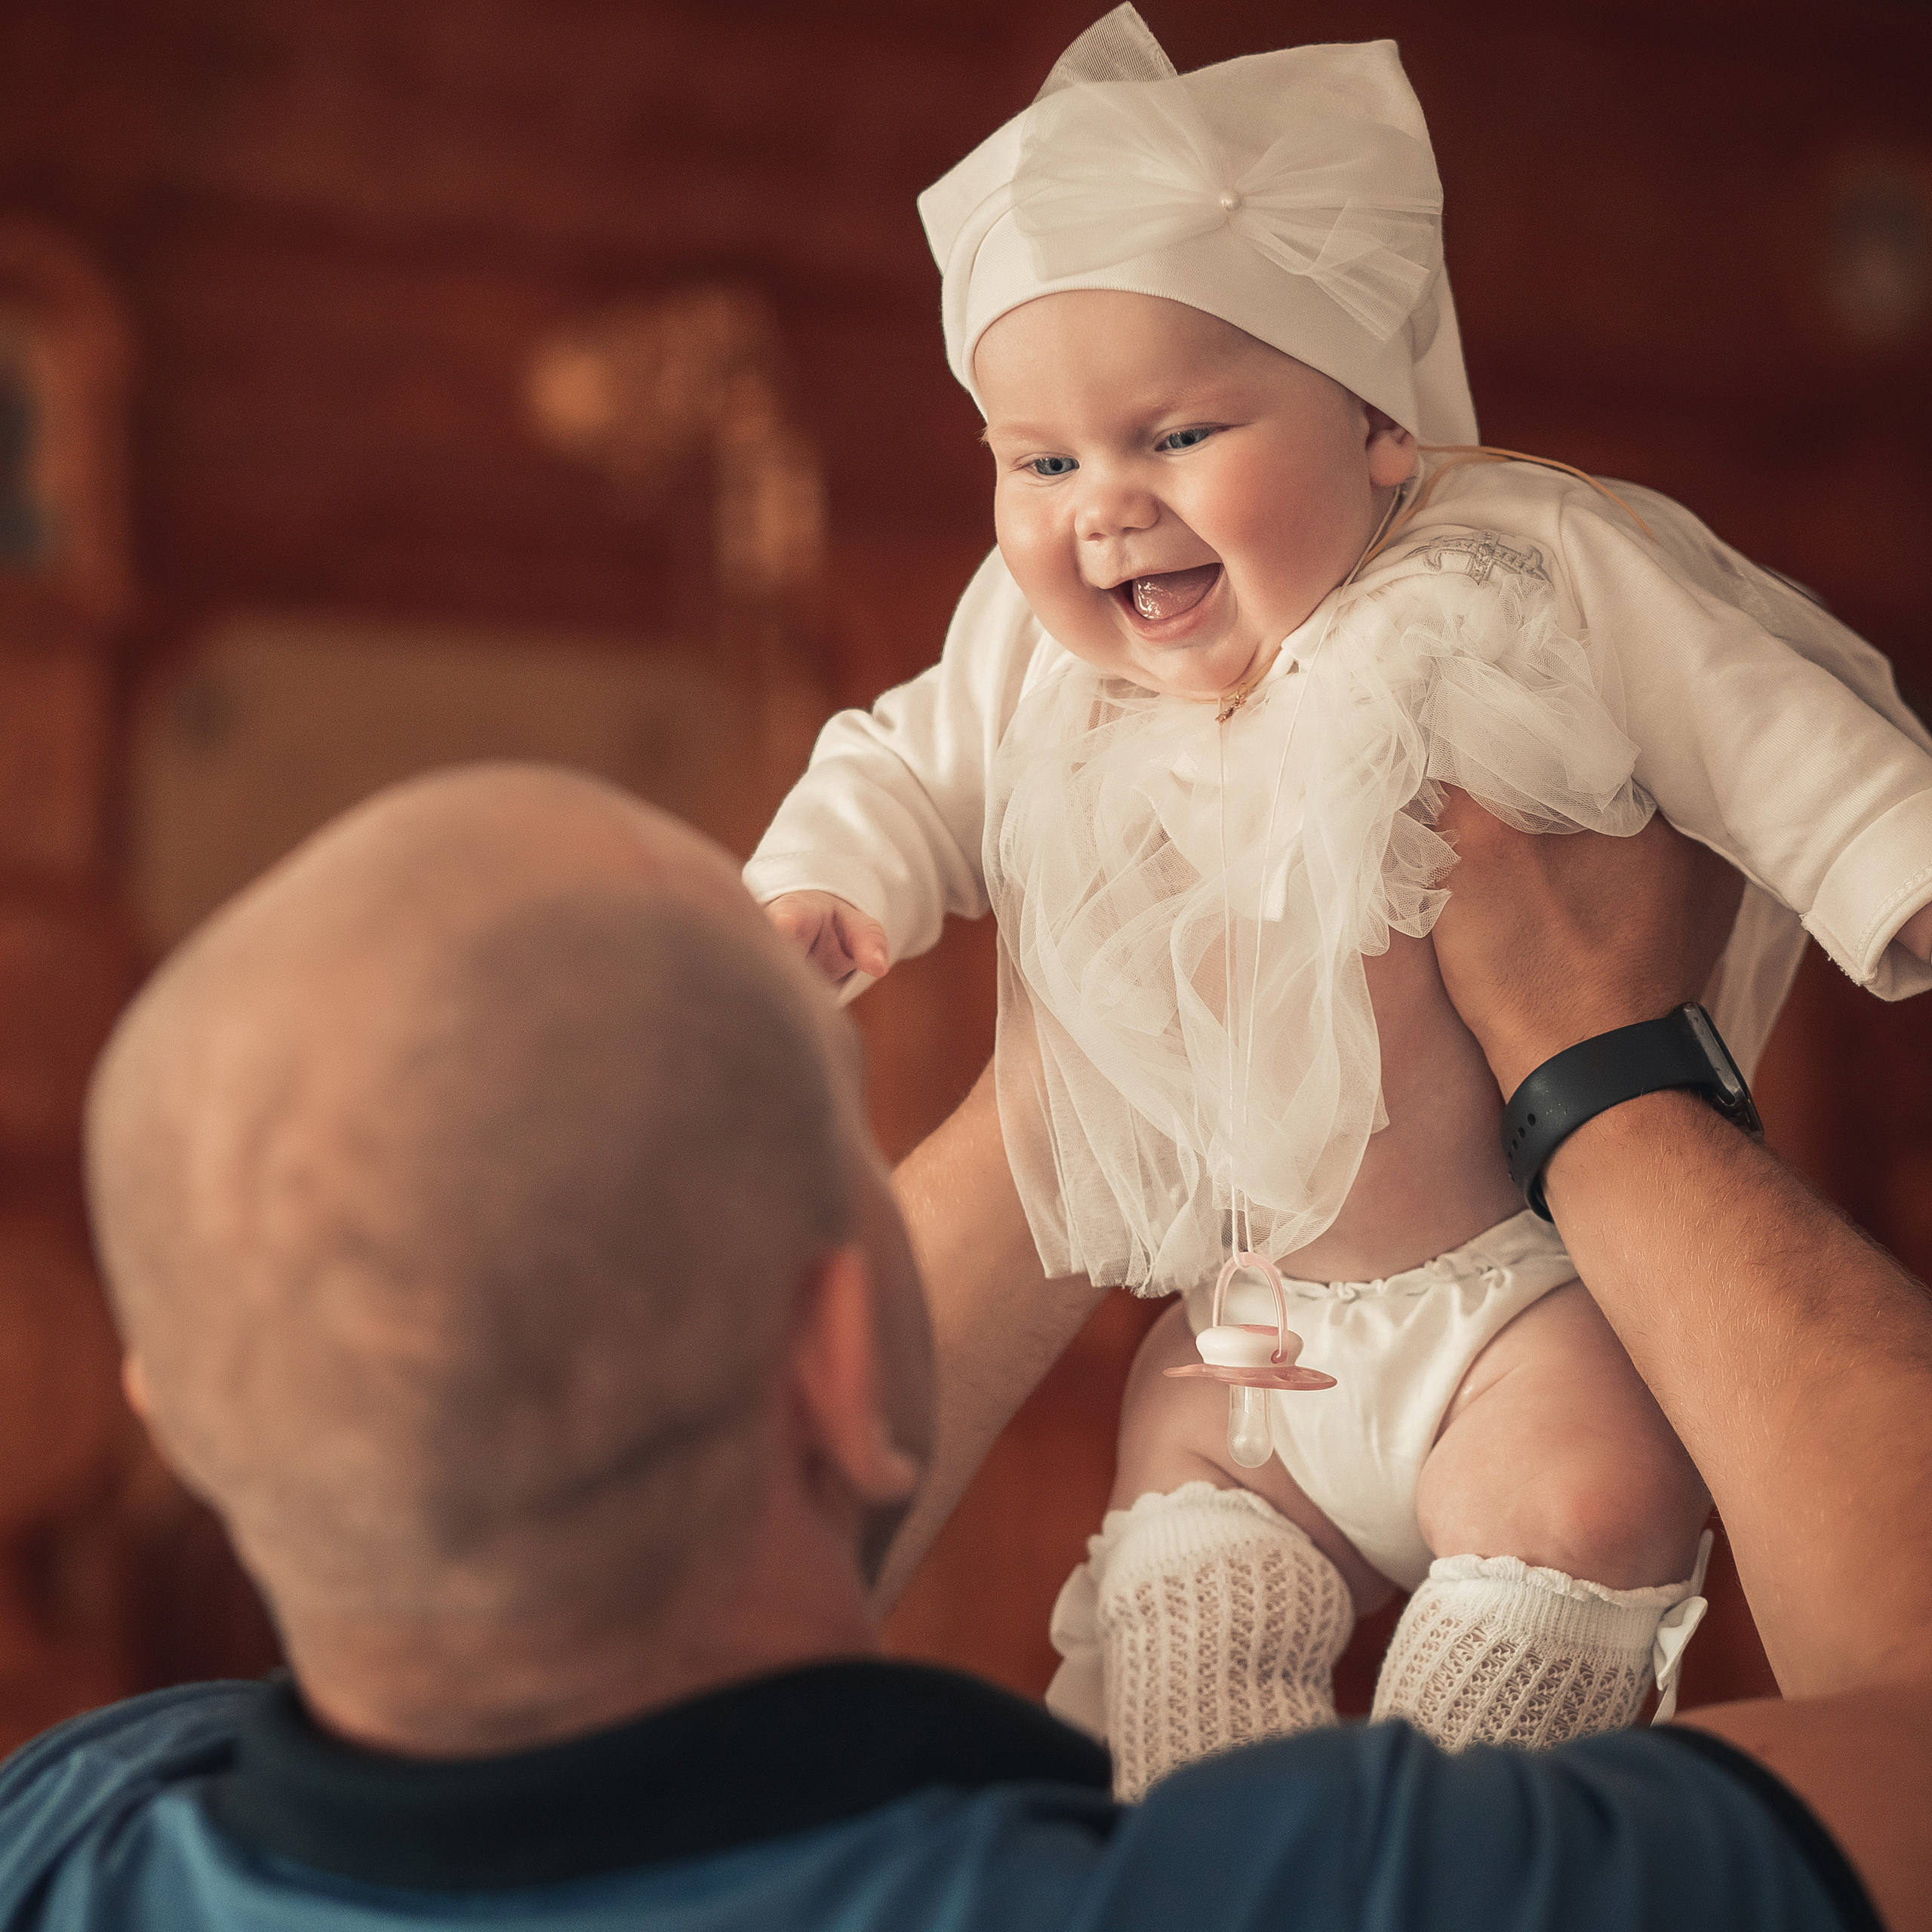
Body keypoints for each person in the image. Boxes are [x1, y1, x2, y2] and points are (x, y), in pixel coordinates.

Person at [0, 758, 1926, 1929]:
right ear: (838, 1360)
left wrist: (1078, 1064)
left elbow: (625, 1551)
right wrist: (1605, 1069)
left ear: (191, 1419)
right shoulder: (1304, 1908)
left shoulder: (61, 1841)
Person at [744, 6, 1932, 1781]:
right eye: (1039, 459)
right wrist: (827, 883)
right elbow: (905, 759)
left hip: (1512, 1298)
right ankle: (1203, 1822)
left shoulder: (1518, 570)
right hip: (1255, 1325)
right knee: (1184, 1523)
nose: (1102, 510)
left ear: (1375, 418)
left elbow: (1749, 720)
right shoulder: (1033, 659)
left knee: (1589, 1482)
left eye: (1173, 435)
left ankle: (1449, 1832)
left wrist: (1890, 868)